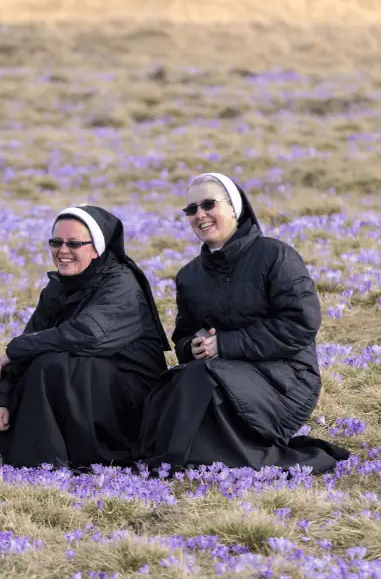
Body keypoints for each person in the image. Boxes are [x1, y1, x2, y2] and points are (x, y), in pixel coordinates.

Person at [134, 173, 351, 474]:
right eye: (191, 209)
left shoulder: (276, 255)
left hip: (286, 378)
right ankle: (190, 461)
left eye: (209, 204)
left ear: (235, 208)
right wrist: (193, 347)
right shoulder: (189, 275)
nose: (200, 215)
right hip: (221, 372)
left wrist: (225, 344)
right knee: (174, 384)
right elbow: (183, 336)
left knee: (200, 380)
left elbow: (300, 324)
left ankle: (196, 459)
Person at [0, 205, 170, 469]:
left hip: (130, 401)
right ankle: (42, 462)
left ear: (97, 248)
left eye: (74, 243)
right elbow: (31, 343)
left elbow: (88, 334)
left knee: (53, 364)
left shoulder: (122, 284)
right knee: (46, 361)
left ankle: (63, 461)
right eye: (56, 242)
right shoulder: (57, 288)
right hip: (86, 386)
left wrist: (17, 347)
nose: (63, 251)